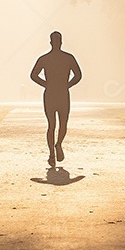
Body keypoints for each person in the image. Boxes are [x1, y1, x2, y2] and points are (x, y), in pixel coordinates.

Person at [30, 31, 82, 166]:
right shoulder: (68, 58)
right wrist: (67, 85)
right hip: (62, 93)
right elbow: (78, 75)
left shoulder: (45, 59)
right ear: (61, 42)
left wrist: (46, 84)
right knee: (62, 124)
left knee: (51, 125)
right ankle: (57, 146)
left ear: (51, 42)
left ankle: (53, 153)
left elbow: (33, 75)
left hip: (50, 94)